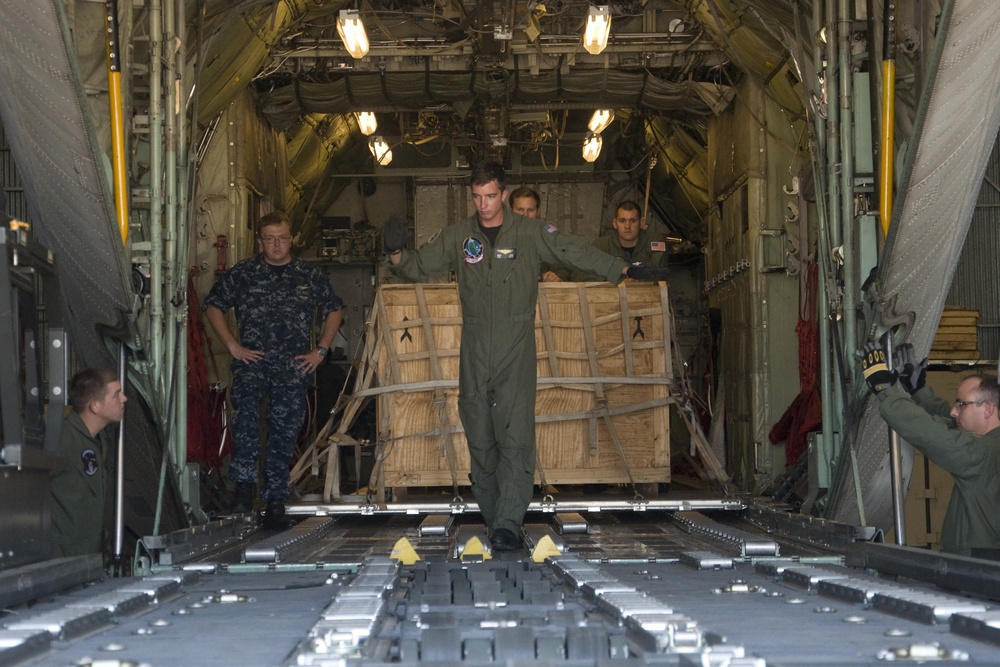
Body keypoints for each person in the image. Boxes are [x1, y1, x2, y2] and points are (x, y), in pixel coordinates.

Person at [384, 161, 667, 551]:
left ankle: (506, 522)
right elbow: (418, 267)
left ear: (503, 194)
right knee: (480, 437)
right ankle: (493, 515)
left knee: (516, 437)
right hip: (475, 348)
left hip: (516, 347)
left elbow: (572, 250)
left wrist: (620, 267)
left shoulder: (530, 233)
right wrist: (397, 253)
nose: (483, 205)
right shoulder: (458, 236)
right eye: (477, 197)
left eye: (490, 196)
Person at [204, 210, 343, 529]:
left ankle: (275, 497)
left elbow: (334, 310)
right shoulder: (245, 273)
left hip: (293, 366)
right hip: (252, 363)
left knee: (284, 430)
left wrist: (320, 350)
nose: (277, 245)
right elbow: (213, 306)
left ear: (291, 239)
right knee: (246, 423)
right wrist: (233, 346)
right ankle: (243, 488)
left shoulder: (308, 274)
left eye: (282, 238)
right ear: (259, 241)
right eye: (270, 239)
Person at [861, 341, 1000, 556]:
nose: (954, 411)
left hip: (976, 570)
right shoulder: (990, 444)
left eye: (961, 404)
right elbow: (950, 420)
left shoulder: (982, 452)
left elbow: (931, 434)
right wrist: (918, 391)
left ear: (988, 409)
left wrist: (885, 391)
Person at [50, 368, 127, 557]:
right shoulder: (61, 439)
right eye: (116, 395)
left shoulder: (99, 440)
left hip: (85, 555)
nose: (124, 398)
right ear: (94, 406)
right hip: (60, 558)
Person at [570, 200, 668, 282]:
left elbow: (659, 271)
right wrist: (617, 279)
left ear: (641, 223)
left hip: (647, 298)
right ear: (615, 224)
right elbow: (578, 274)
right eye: (622, 221)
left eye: (633, 221)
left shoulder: (653, 240)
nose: (627, 226)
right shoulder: (601, 245)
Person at [508, 186, 566, 282]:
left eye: (530, 210)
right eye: (520, 210)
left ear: (538, 212)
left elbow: (563, 269)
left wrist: (556, 277)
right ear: (511, 212)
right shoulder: (498, 238)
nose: (525, 215)